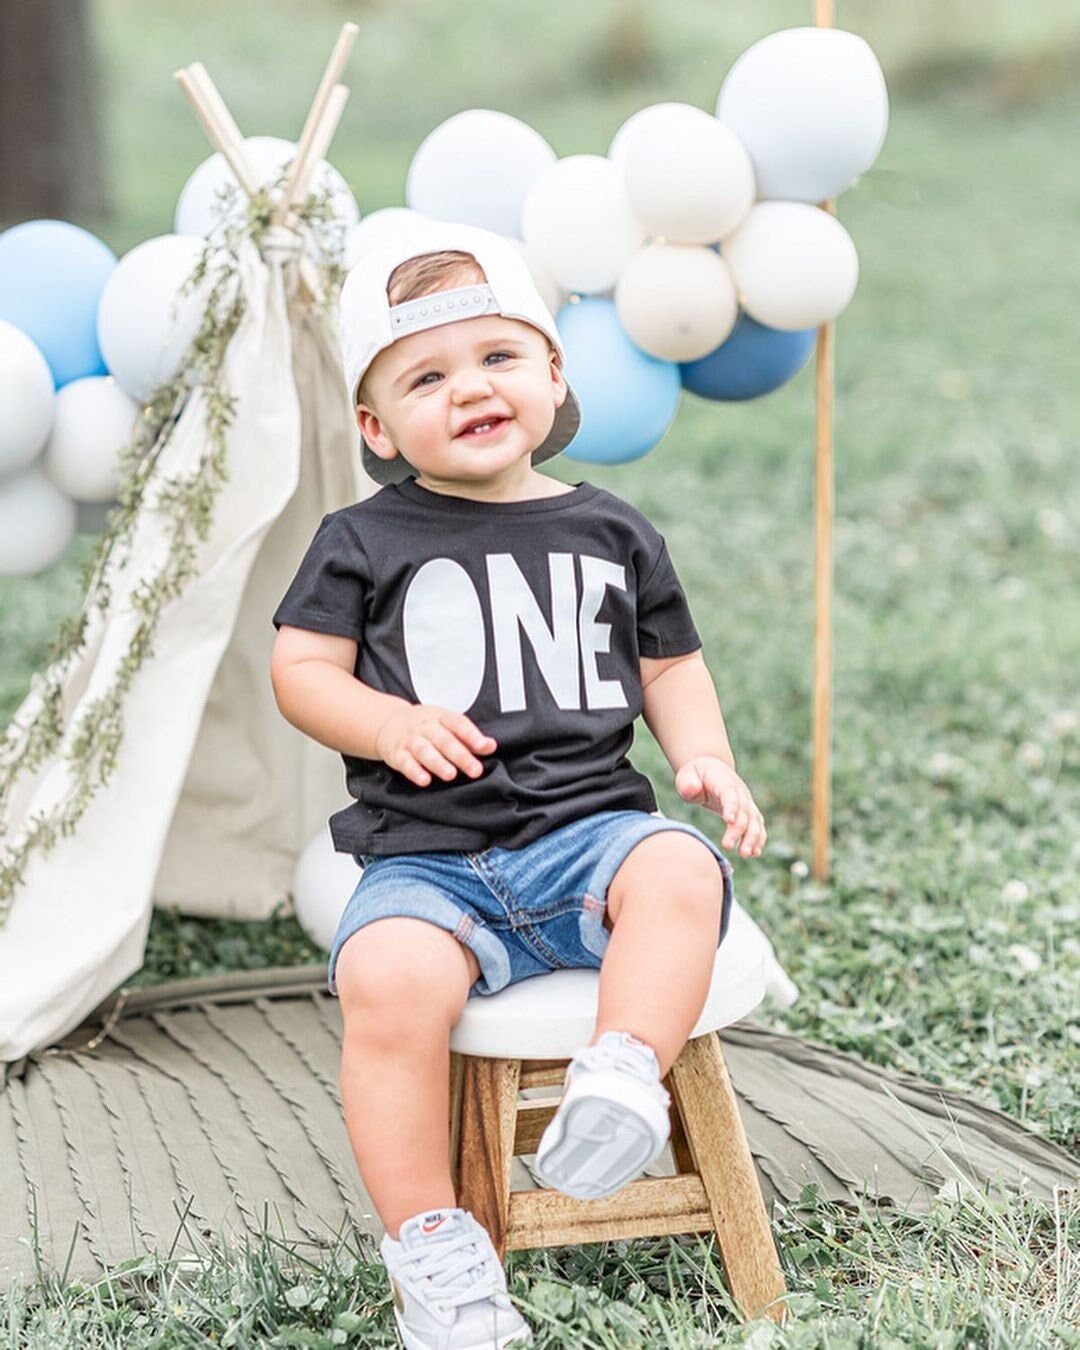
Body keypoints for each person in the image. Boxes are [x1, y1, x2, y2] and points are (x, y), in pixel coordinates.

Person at [271, 222, 766, 1350]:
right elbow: (301, 672)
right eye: (426, 378)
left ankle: (623, 1072)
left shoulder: (611, 527)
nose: (471, 389)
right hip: (428, 860)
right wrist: (385, 720)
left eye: (499, 357)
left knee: (682, 871)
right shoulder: (361, 538)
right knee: (386, 984)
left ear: (553, 373)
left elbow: (670, 664)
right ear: (375, 426)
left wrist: (706, 755)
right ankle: (434, 1250)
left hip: (587, 839)